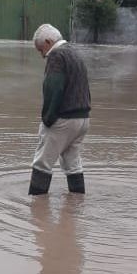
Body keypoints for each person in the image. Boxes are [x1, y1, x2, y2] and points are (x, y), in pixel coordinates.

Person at [29, 24, 91, 195]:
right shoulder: (74, 52)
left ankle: (35, 210)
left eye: (41, 50)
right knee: (72, 164)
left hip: (64, 119)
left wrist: (47, 119)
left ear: (48, 42)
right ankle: (77, 204)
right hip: (83, 119)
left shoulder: (56, 56)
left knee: (42, 163)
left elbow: (53, 88)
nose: (43, 55)